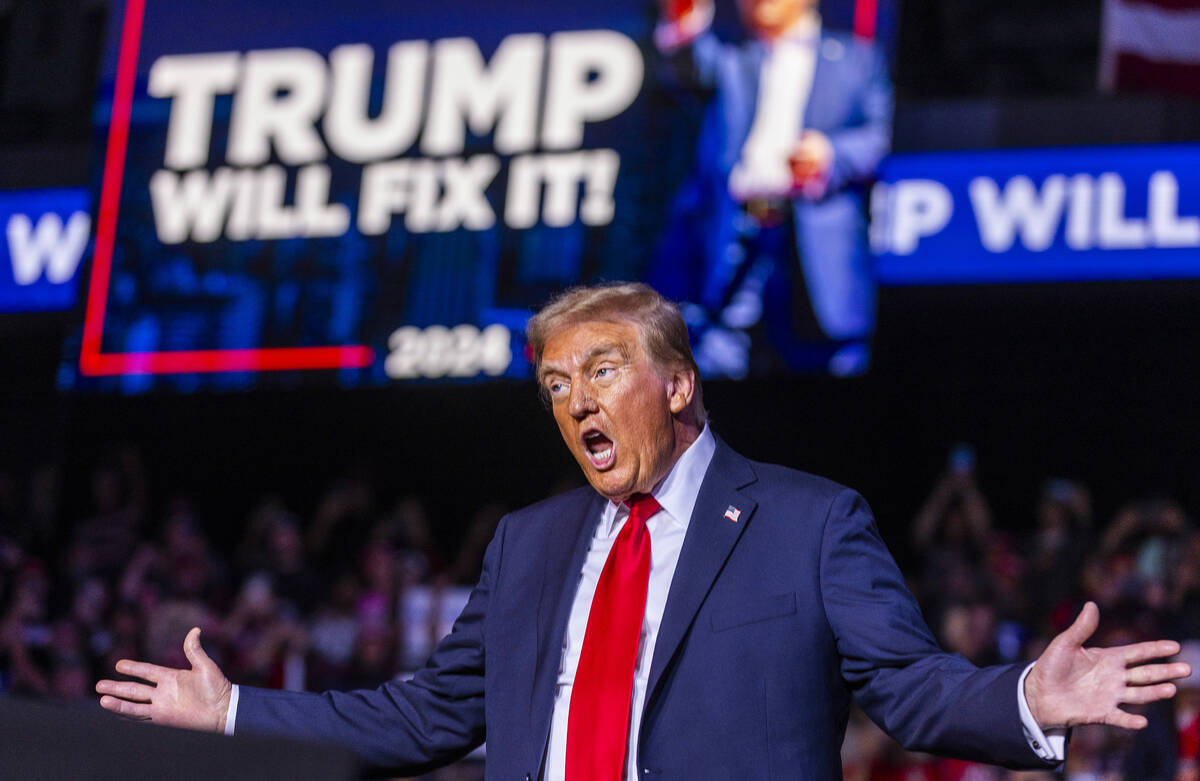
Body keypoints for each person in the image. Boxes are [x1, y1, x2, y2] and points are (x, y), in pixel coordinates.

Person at [98, 283, 1189, 780]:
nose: (574, 400)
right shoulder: (529, 540)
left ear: (677, 385)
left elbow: (906, 688)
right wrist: (237, 711)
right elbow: (428, 713)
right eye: (556, 382)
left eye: (602, 369)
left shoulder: (810, 522)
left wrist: (1025, 698)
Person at [653, 0, 890, 377]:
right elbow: (688, 69)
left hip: (816, 238)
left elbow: (883, 136)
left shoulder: (857, 59)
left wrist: (831, 154)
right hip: (738, 235)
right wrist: (684, 19)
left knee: (825, 369)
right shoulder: (731, 57)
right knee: (716, 361)